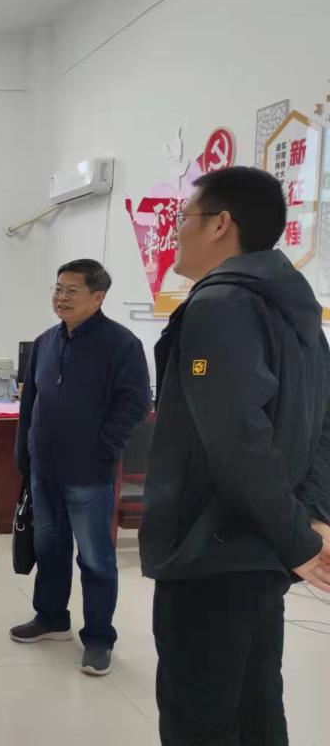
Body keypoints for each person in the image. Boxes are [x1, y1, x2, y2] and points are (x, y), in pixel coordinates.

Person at [140, 166, 330, 745]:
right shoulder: (298, 309)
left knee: (199, 718)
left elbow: (237, 442)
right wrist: (311, 520)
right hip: (259, 552)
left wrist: (299, 538)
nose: (175, 231)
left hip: (211, 551)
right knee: (254, 711)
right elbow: (322, 425)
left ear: (221, 224)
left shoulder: (218, 306)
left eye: (184, 218)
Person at [12, 259, 151, 676]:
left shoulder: (121, 344)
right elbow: (30, 402)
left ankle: (99, 638)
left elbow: (135, 403)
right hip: (45, 468)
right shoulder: (45, 342)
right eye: (58, 289)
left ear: (98, 296)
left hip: (89, 472)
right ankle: (51, 618)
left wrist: (103, 447)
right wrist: (25, 453)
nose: (61, 297)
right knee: (49, 550)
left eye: (72, 291)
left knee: (94, 559)